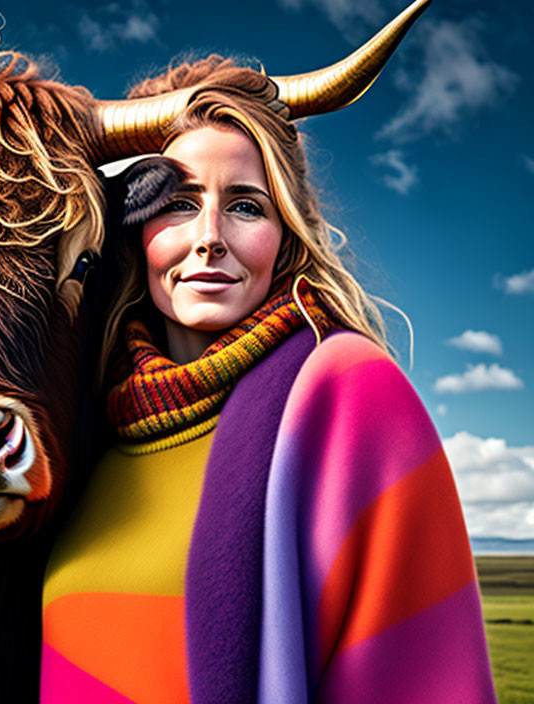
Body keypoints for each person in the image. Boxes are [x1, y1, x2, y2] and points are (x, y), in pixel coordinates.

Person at [40, 56, 497, 704]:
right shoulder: (84, 426)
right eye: (176, 202)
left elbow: (420, 681)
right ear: (133, 228)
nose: (209, 239)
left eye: (246, 207)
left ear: (285, 236)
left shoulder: (347, 395)